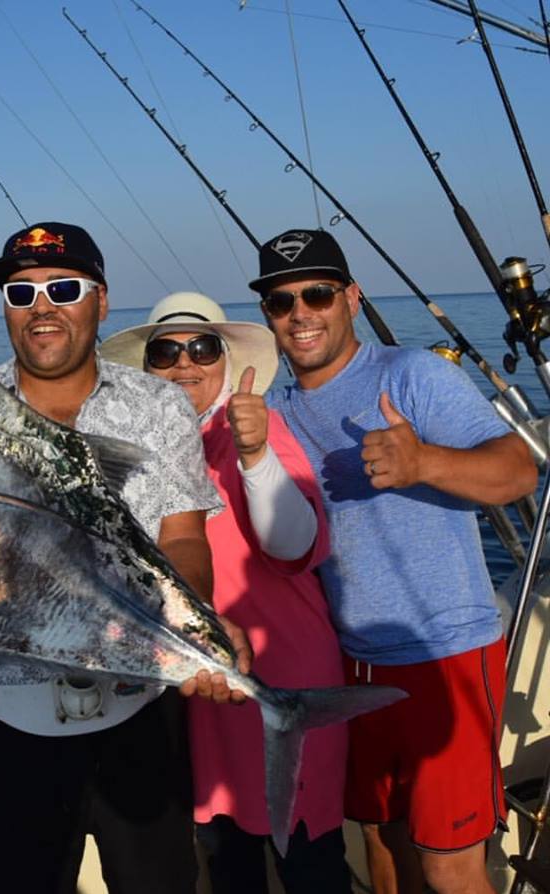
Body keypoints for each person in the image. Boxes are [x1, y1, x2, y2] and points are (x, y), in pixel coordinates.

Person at [0, 221, 252, 894]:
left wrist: (195, 625)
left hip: (138, 712)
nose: (41, 306)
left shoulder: (160, 405)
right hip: (1, 723)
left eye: (63, 287)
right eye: (20, 293)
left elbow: (184, 538)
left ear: (102, 302)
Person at [249, 228, 538, 894]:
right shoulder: (275, 412)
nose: (300, 313)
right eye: (280, 301)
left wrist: (422, 462)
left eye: (317, 293)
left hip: (447, 655)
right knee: (379, 842)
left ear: (351, 297)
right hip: (350, 666)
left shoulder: (412, 375)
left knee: (448, 864)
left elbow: (519, 471)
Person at [101, 291, 353, 893]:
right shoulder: (139, 452)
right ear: (148, 368)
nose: (185, 363)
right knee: (229, 853)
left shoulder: (258, 425)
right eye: (165, 352)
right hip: (201, 684)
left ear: (224, 357)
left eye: (202, 347)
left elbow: (291, 546)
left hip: (283, 670)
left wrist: (255, 453)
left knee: (311, 858)